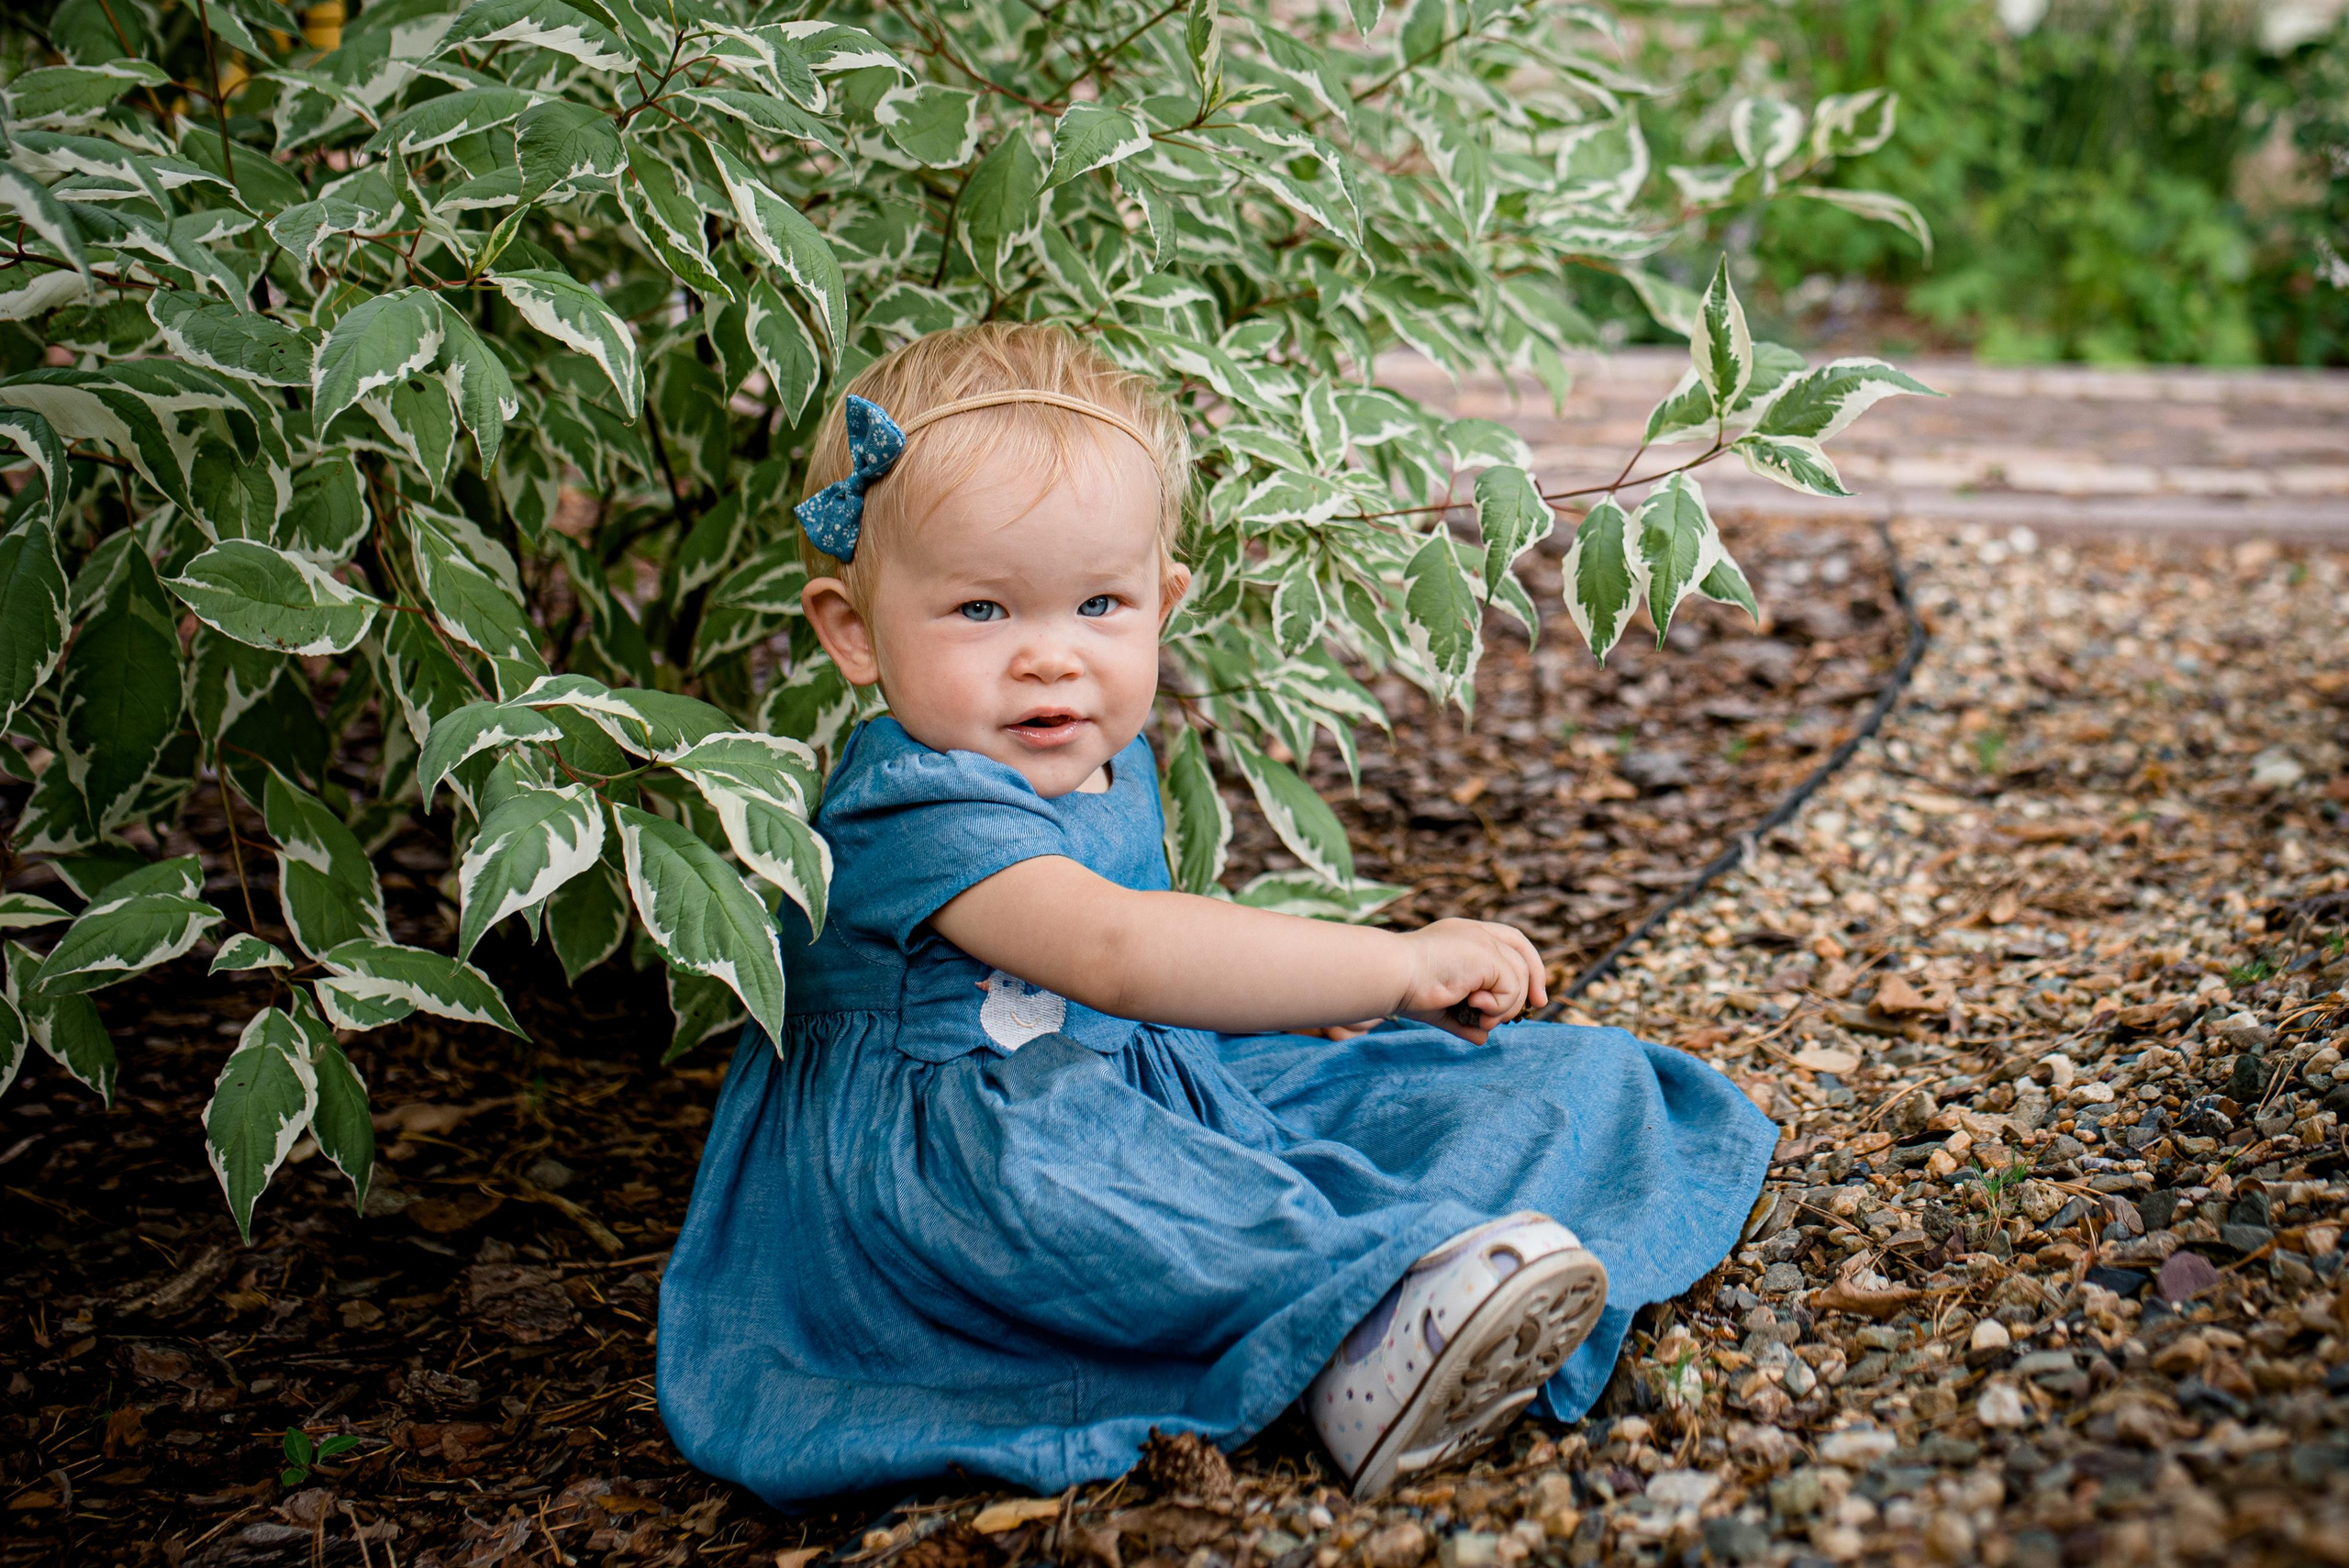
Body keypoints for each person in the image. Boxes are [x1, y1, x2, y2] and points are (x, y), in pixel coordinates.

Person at [656, 322, 1776, 1505]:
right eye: (982, 610)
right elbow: (1119, 951)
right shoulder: (912, 805)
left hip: (1135, 1071)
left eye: (1099, 603)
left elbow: (1166, 953)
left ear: (1163, 603)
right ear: (852, 630)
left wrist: (1303, 1003)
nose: (1051, 658)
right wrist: (1390, 968)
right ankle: (1364, 1339)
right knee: (1114, 1205)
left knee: (1520, 1085)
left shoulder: (1095, 751)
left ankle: (1440, 1277)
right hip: (963, 1165)